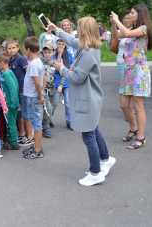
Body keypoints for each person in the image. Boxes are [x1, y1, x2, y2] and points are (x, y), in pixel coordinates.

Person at [49, 16, 116, 186]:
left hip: (88, 99)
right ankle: (105, 158)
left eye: (79, 29)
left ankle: (95, 172)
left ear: (84, 31)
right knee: (93, 129)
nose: (76, 32)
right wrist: (55, 29)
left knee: (88, 135)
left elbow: (77, 77)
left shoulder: (88, 53)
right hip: (90, 98)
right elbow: (71, 40)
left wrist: (61, 68)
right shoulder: (88, 46)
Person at [110, 4, 152, 150]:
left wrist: (117, 20)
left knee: (138, 105)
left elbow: (127, 34)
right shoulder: (134, 29)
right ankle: (134, 129)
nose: (131, 14)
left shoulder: (143, 29)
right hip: (129, 70)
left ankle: (141, 137)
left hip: (139, 70)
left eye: (133, 12)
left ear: (140, 14)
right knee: (124, 104)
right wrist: (113, 24)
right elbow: (119, 36)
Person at [20, 37, 45, 159]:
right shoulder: (36, 62)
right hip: (32, 97)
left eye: (25, 50)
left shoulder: (34, 64)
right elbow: (42, 79)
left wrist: (40, 96)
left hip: (33, 98)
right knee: (35, 122)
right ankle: (36, 145)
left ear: (29, 49)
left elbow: (37, 83)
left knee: (36, 124)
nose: (25, 52)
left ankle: (37, 150)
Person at [6, 40, 31, 145]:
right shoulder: (10, 61)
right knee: (19, 113)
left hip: (23, 90)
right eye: (9, 48)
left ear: (17, 48)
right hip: (15, 90)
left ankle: (30, 136)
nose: (11, 50)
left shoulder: (21, 59)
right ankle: (21, 134)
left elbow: (28, 73)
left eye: (13, 48)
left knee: (26, 113)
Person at [0, 52, 20, 150]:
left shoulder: (6, 74)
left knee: (11, 123)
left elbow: (13, 88)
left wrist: (13, 103)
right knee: (12, 122)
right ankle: (12, 140)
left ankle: (13, 143)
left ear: (2, 62)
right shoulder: (9, 72)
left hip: (9, 103)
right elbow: (16, 85)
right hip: (12, 102)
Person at [52, 39, 74, 130]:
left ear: (65, 46)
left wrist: (62, 84)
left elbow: (69, 70)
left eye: (62, 44)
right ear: (56, 45)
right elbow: (56, 68)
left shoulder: (69, 55)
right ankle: (48, 119)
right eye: (59, 44)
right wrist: (59, 54)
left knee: (68, 103)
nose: (61, 46)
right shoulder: (53, 56)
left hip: (67, 83)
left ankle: (69, 122)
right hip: (56, 82)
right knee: (55, 103)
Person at [39, 42, 56, 138]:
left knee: (53, 106)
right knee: (47, 108)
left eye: (49, 52)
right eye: (45, 52)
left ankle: (48, 120)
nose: (47, 54)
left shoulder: (55, 63)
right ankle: (45, 127)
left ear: (53, 52)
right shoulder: (40, 63)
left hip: (54, 89)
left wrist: (60, 86)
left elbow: (61, 75)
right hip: (44, 89)